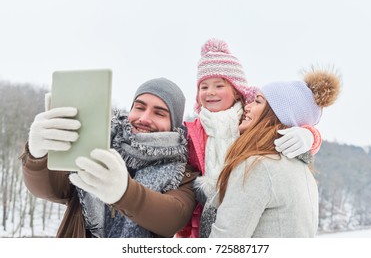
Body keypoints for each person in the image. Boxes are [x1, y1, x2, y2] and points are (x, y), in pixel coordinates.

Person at [176, 38, 322, 238]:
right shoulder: (190, 131)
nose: (210, 93)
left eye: (219, 86)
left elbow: (226, 238)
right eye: (204, 87)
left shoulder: (253, 155)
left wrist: (310, 135)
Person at [21, 77, 198, 238]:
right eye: (139, 107)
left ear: (174, 123)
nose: (144, 118)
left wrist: (124, 192)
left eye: (159, 113)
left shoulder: (183, 173)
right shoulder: (97, 145)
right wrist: (38, 156)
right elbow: (53, 190)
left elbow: (171, 220)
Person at [208, 69, 341, 237]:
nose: (247, 107)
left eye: (258, 101)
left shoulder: (257, 166)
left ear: (275, 115)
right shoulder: (303, 172)